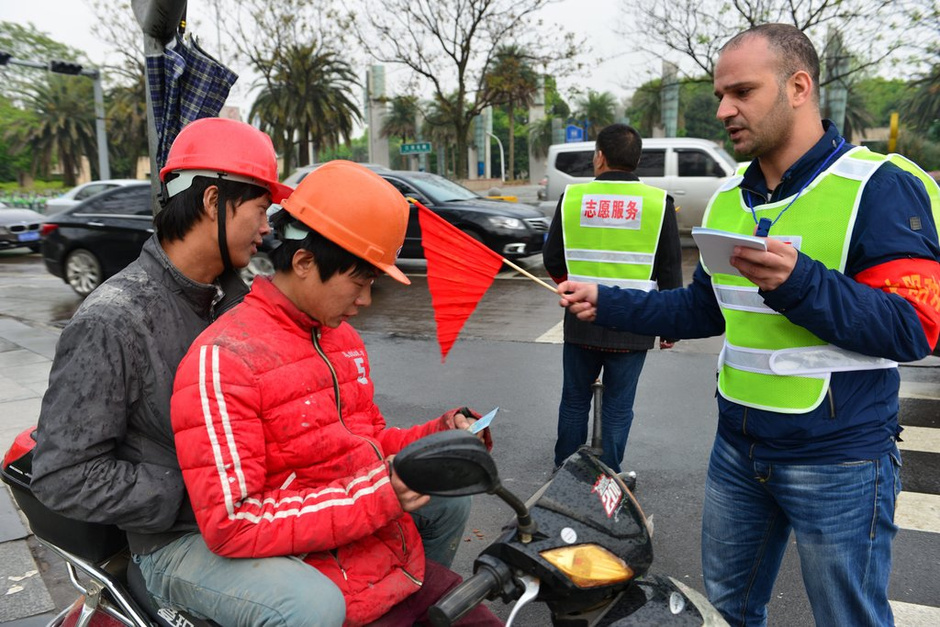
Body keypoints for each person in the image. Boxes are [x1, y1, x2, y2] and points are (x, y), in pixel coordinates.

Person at [557, 24, 940, 627]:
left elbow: (912, 328)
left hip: (839, 461)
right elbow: (702, 311)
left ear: (798, 86)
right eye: (718, 95)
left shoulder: (882, 186)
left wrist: (800, 283)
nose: (724, 110)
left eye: (741, 91)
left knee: (849, 618)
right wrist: (607, 301)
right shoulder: (730, 197)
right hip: (737, 452)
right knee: (728, 612)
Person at [166, 160, 498, 626]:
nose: (365, 300)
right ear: (304, 263)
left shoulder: (340, 338)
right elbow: (233, 522)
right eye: (358, 282)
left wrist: (440, 436)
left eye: (372, 283)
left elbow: (370, 443)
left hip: (380, 559)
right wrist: (380, 493)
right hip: (314, 575)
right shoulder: (225, 359)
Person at [543, 123, 683, 475]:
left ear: (600, 157)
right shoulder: (657, 203)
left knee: (575, 400)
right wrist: (669, 324)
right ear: (636, 160)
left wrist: (572, 290)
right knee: (619, 407)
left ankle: (567, 472)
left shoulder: (573, 198)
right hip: (635, 323)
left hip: (581, 319)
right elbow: (668, 268)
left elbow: (553, 259)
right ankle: (608, 478)